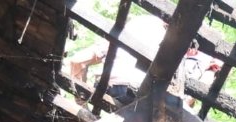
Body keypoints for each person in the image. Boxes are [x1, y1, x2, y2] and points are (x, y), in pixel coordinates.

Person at [68, 14, 220, 106]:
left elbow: (78, 60)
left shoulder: (142, 22)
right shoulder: (205, 51)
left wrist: (81, 106)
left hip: (111, 86)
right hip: (153, 102)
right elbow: (193, 95)